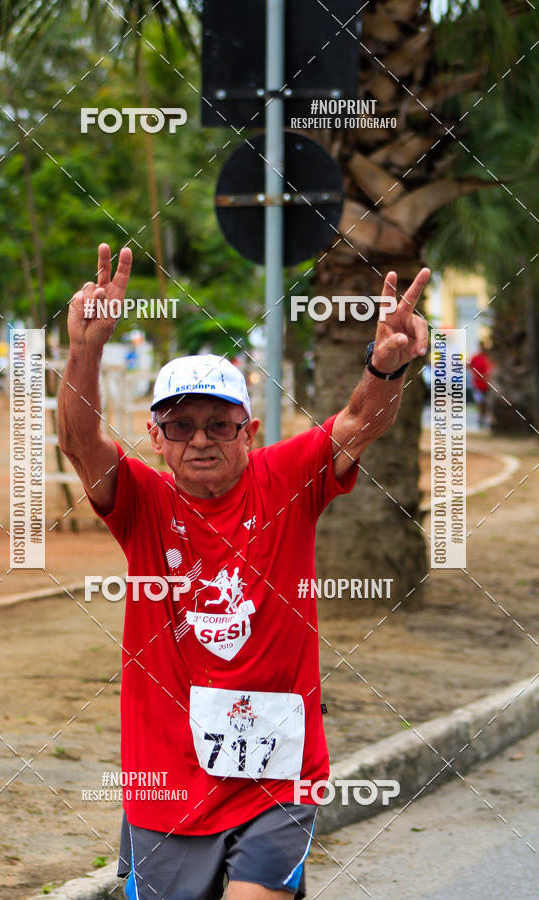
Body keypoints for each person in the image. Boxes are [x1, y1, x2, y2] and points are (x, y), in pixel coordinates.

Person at [58, 243, 430, 900]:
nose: (200, 439)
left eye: (219, 425)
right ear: (155, 436)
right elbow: (80, 443)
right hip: (166, 786)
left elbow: (356, 424)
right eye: (181, 424)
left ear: (249, 431)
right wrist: (86, 351)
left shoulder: (287, 478)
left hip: (278, 777)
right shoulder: (143, 500)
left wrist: (386, 366)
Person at [468, 341, 493, 429]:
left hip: (488, 385)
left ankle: (485, 419)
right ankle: (481, 419)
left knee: (487, 403)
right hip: (477, 385)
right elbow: (469, 367)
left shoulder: (489, 358)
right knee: (480, 402)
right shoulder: (476, 357)